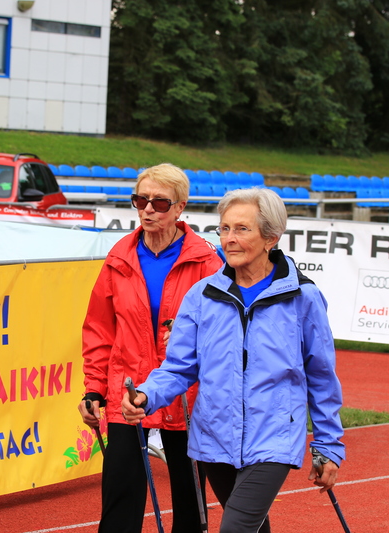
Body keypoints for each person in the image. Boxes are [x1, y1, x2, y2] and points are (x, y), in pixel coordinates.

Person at [122, 187, 345, 533]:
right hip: (214, 437)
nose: (230, 239)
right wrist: (146, 395)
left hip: (273, 437)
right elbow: (179, 367)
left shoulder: (303, 297)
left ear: (271, 237)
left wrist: (328, 444)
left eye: (242, 229)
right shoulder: (202, 295)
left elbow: (321, 376)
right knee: (251, 526)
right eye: (224, 229)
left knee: (236, 528)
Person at [78, 163, 223, 532]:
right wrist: (94, 389)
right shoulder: (119, 257)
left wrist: (197, 344)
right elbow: (99, 330)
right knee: (120, 496)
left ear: (180, 207)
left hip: (185, 391)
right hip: (127, 391)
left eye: (159, 203)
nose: (147, 209)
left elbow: (224, 332)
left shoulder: (207, 261)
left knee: (189, 501)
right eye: (140, 200)